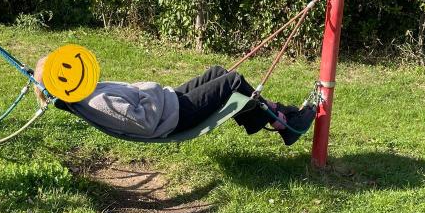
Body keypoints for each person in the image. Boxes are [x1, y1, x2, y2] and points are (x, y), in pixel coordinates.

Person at [33, 57, 316, 145]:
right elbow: (143, 123)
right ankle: (284, 125)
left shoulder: (81, 92)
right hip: (174, 116)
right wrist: (148, 90)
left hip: (170, 101)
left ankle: (270, 115)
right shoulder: (97, 101)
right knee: (232, 82)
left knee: (218, 73)